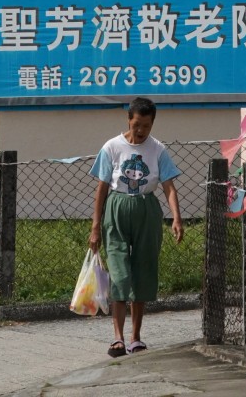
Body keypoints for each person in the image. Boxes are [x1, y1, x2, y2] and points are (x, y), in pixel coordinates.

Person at [89, 97, 183, 357]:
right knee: (119, 274)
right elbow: (102, 188)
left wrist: (176, 217)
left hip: (147, 212)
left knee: (142, 273)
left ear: (153, 124)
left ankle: (136, 337)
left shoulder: (158, 150)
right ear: (128, 120)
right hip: (116, 210)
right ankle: (117, 338)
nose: (141, 131)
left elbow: (168, 187)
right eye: (137, 124)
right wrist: (96, 226)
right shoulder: (112, 147)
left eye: (147, 126)